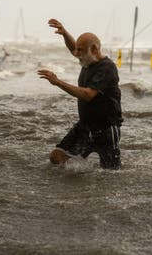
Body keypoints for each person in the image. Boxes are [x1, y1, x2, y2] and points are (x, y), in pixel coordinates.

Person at [38, 19, 123, 169]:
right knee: (57, 158)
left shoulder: (107, 68)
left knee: (110, 174)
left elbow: (87, 94)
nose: (76, 54)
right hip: (84, 127)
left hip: (107, 129)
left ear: (95, 50)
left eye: (81, 50)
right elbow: (74, 48)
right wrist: (64, 33)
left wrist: (58, 82)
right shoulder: (86, 60)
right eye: (77, 50)